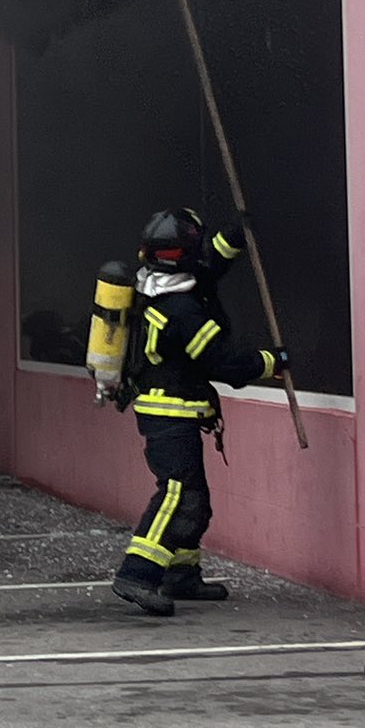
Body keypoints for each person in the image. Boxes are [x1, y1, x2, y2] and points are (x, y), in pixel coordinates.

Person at [111, 208, 287, 617]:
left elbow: (208, 265)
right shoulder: (184, 312)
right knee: (177, 493)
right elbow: (222, 364)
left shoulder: (158, 287)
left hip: (170, 410)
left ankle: (181, 575)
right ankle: (136, 574)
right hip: (169, 413)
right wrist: (271, 361)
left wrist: (234, 235)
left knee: (196, 500)